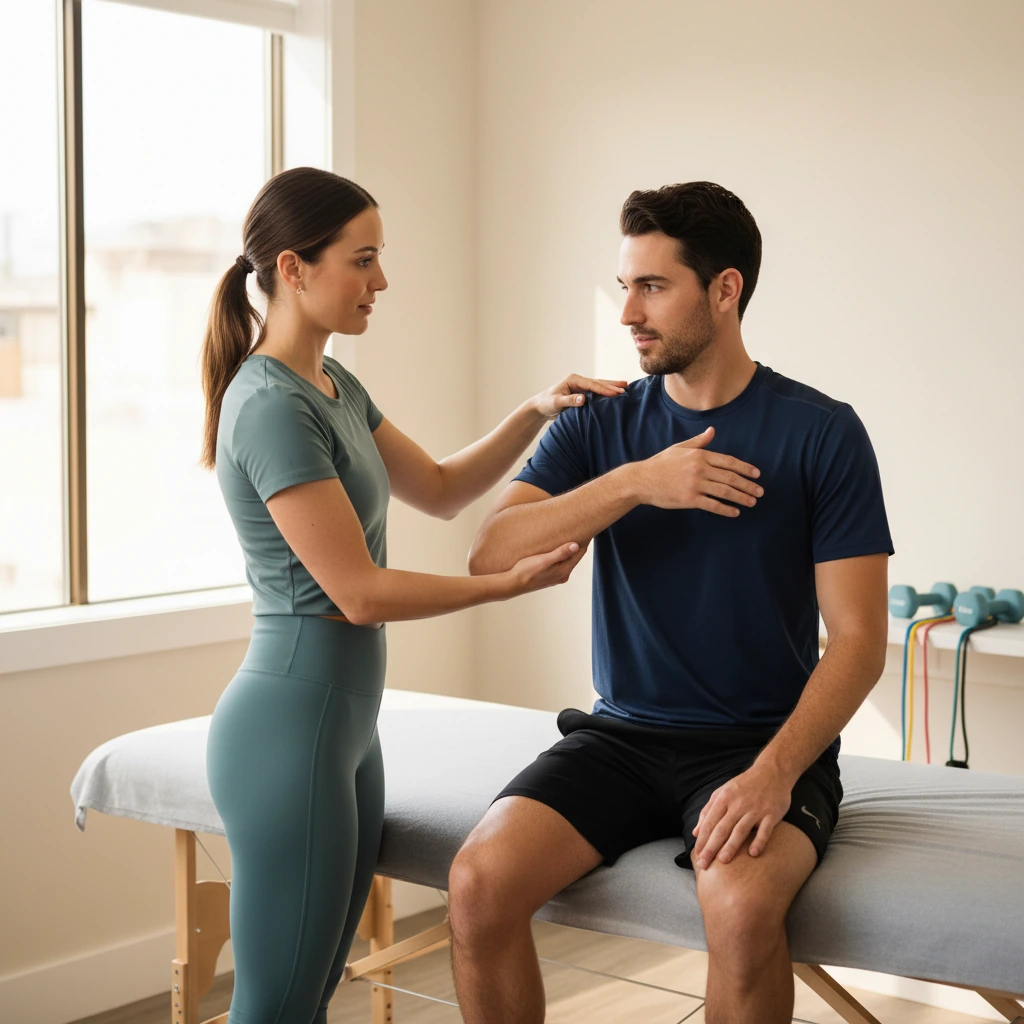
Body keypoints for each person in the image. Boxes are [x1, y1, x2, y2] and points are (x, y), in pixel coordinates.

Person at [449, 181, 893, 1024]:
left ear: (725, 291)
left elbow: (861, 641)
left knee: (741, 906)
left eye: (652, 288)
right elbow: (489, 552)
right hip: (620, 736)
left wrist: (773, 774)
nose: (628, 314)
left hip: (756, 744)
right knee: (477, 884)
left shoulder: (822, 432)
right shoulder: (599, 426)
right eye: (625, 286)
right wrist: (638, 483)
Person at [199, 165, 624, 1024]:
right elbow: (357, 594)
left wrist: (535, 411)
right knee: (274, 1007)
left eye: (379, 258)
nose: (380, 281)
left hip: (343, 727)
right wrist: (503, 587)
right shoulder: (273, 408)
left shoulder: (333, 386)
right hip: (291, 723)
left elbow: (437, 487)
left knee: (309, 997)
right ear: (292, 268)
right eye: (362, 260)